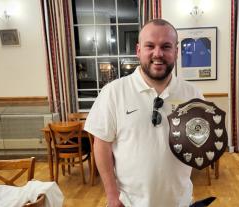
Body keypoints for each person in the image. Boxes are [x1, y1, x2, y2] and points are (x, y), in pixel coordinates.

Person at [84, 19, 203, 207]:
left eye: (166, 46)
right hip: (129, 203)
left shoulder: (192, 94)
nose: (158, 53)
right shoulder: (113, 91)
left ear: (176, 51)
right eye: (150, 46)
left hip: (179, 201)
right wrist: (112, 196)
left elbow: (199, 140)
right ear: (138, 50)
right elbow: (101, 145)